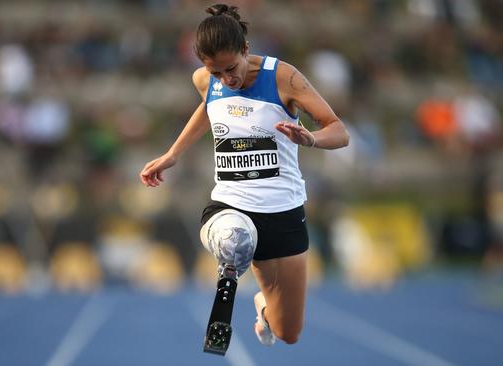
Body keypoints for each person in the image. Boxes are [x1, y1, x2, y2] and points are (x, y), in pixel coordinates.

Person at [139, 3, 349, 346]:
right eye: (216, 72)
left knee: (288, 332)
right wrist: (172, 154)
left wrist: (309, 138)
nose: (226, 79)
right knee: (236, 237)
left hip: (283, 212)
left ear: (246, 50)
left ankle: (263, 308)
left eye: (231, 68)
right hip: (232, 205)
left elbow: (339, 132)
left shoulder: (283, 77)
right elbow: (208, 107)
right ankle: (231, 259)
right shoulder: (205, 79)